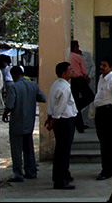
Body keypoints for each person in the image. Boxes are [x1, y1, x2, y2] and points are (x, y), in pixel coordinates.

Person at [2, 66, 46, 182]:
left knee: (16, 149)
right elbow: (42, 98)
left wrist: (5, 114)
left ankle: (18, 173)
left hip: (17, 121)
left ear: (14, 75)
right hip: (29, 121)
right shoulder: (33, 85)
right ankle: (31, 171)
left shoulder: (14, 87)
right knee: (29, 147)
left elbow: (10, 105)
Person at [45, 62, 78, 190]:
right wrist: (53, 120)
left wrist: (50, 116)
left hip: (61, 119)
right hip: (64, 120)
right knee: (63, 151)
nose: (72, 71)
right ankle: (60, 180)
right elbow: (59, 106)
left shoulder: (56, 84)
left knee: (62, 149)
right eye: (70, 69)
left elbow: (52, 103)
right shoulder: (64, 87)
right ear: (64, 73)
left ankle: (64, 174)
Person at [93, 57, 112, 181]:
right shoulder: (101, 79)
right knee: (103, 142)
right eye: (101, 64)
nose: (101, 67)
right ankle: (106, 168)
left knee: (108, 143)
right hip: (101, 112)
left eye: (104, 65)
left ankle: (108, 170)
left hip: (108, 112)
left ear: (111, 68)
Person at [69, 40, 95, 133]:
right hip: (79, 79)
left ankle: (80, 126)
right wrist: (85, 76)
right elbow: (84, 70)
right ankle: (76, 108)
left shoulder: (67, 56)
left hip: (71, 80)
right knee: (90, 96)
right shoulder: (78, 57)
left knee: (75, 99)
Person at [80, 50, 96, 128]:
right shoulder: (73, 57)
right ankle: (80, 121)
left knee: (88, 99)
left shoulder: (87, 55)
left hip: (87, 80)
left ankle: (85, 121)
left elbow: (93, 66)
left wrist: (89, 77)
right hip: (79, 81)